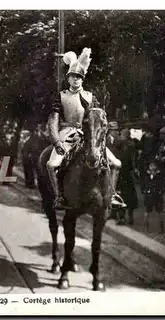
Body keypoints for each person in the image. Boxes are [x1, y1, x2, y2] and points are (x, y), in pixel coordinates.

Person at [46, 47, 126, 210]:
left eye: (78, 77)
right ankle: (59, 197)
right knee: (52, 165)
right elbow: (53, 121)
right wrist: (56, 142)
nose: (75, 80)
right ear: (68, 79)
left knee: (116, 163)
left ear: (82, 79)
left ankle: (111, 196)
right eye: (72, 77)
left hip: (88, 134)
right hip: (66, 133)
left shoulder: (90, 97)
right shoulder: (60, 96)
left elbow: (98, 118)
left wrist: (104, 132)